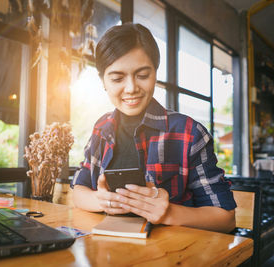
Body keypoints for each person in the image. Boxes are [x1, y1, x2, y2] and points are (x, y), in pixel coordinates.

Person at [71, 23, 236, 233]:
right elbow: (79, 190)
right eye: (117, 78)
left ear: (155, 74)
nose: (131, 88)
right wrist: (102, 200)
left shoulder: (189, 133)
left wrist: (167, 213)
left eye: (142, 75)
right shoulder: (101, 128)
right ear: (103, 81)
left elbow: (226, 219)